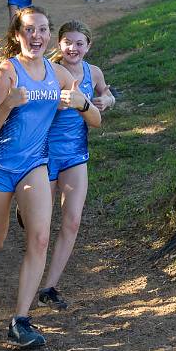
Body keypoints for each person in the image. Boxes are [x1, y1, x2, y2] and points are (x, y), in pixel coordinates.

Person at [0, 7, 100, 348]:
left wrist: (84, 104)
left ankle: (20, 320)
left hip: (34, 164)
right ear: (16, 35)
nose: (35, 36)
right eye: (29, 30)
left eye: (42, 30)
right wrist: (8, 103)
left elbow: (95, 119)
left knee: (38, 239)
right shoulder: (6, 72)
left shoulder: (58, 73)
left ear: (48, 35)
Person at [37, 20, 114, 311]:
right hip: (43, 155)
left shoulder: (93, 72)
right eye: (67, 42)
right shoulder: (47, 70)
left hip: (75, 154)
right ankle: (25, 205)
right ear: (59, 44)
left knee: (71, 220)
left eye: (79, 43)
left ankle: (49, 287)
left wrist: (107, 99)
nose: (73, 48)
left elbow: (106, 93)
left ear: (88, 46)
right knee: (40, 226)